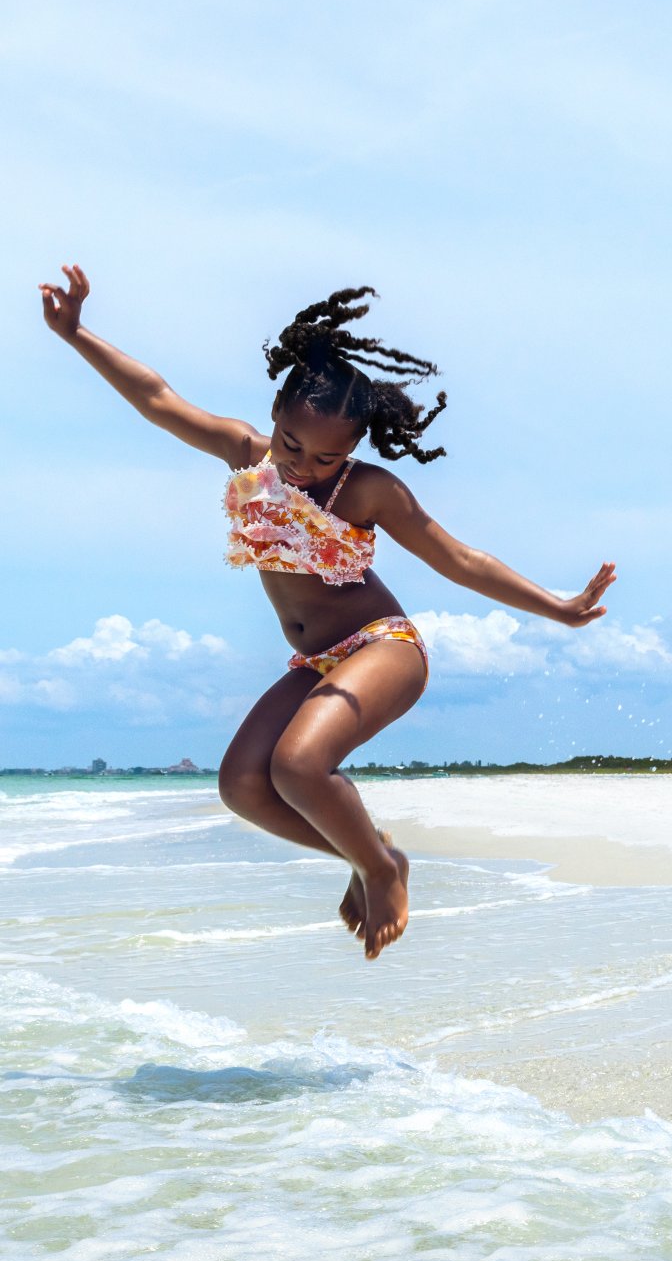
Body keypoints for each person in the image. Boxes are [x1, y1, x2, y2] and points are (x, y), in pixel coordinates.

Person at [40, 265, 617, 959]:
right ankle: (374, 853)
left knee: (299, 766)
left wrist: (558, 607)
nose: (304, 465)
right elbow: (158, 398)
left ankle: (378, 869)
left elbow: (458, 559)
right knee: (243, 786)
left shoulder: (369, 490)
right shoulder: (242, 453)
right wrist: (76, 336)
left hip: (384, 646)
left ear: (354, 450)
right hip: (316, 660)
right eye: (292, 445)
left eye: (327, 455)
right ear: (276, 416)